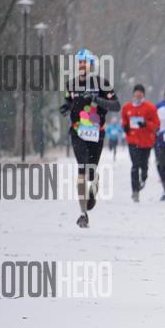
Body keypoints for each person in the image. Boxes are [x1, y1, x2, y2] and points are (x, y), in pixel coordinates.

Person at [59, 48, 120, 228]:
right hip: (78, 131)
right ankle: (82, 213)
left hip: (96, 132)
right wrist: (65, 107)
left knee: (91, 170)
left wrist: (96, 99)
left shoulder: (102, 84)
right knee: (82, 167)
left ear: (91, 65)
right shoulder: (71, 84)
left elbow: (116, 105)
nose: (82, 65)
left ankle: (94, 185)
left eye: (85, 62)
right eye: (79, 62)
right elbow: (69, 101)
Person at [121, 84, 159, 202]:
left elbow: (157, 124)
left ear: (143, 94)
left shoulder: (150, 107)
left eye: (140, 92)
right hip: (132, 140)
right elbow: (124, 121)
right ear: (133, 93)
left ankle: (143, 177)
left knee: (143, 165)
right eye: (136, 92)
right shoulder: (127, 107)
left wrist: (146, 124)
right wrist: (125, 127)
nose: (138, 94)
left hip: (146, 141)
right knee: (135, 165)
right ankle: (135, 191)